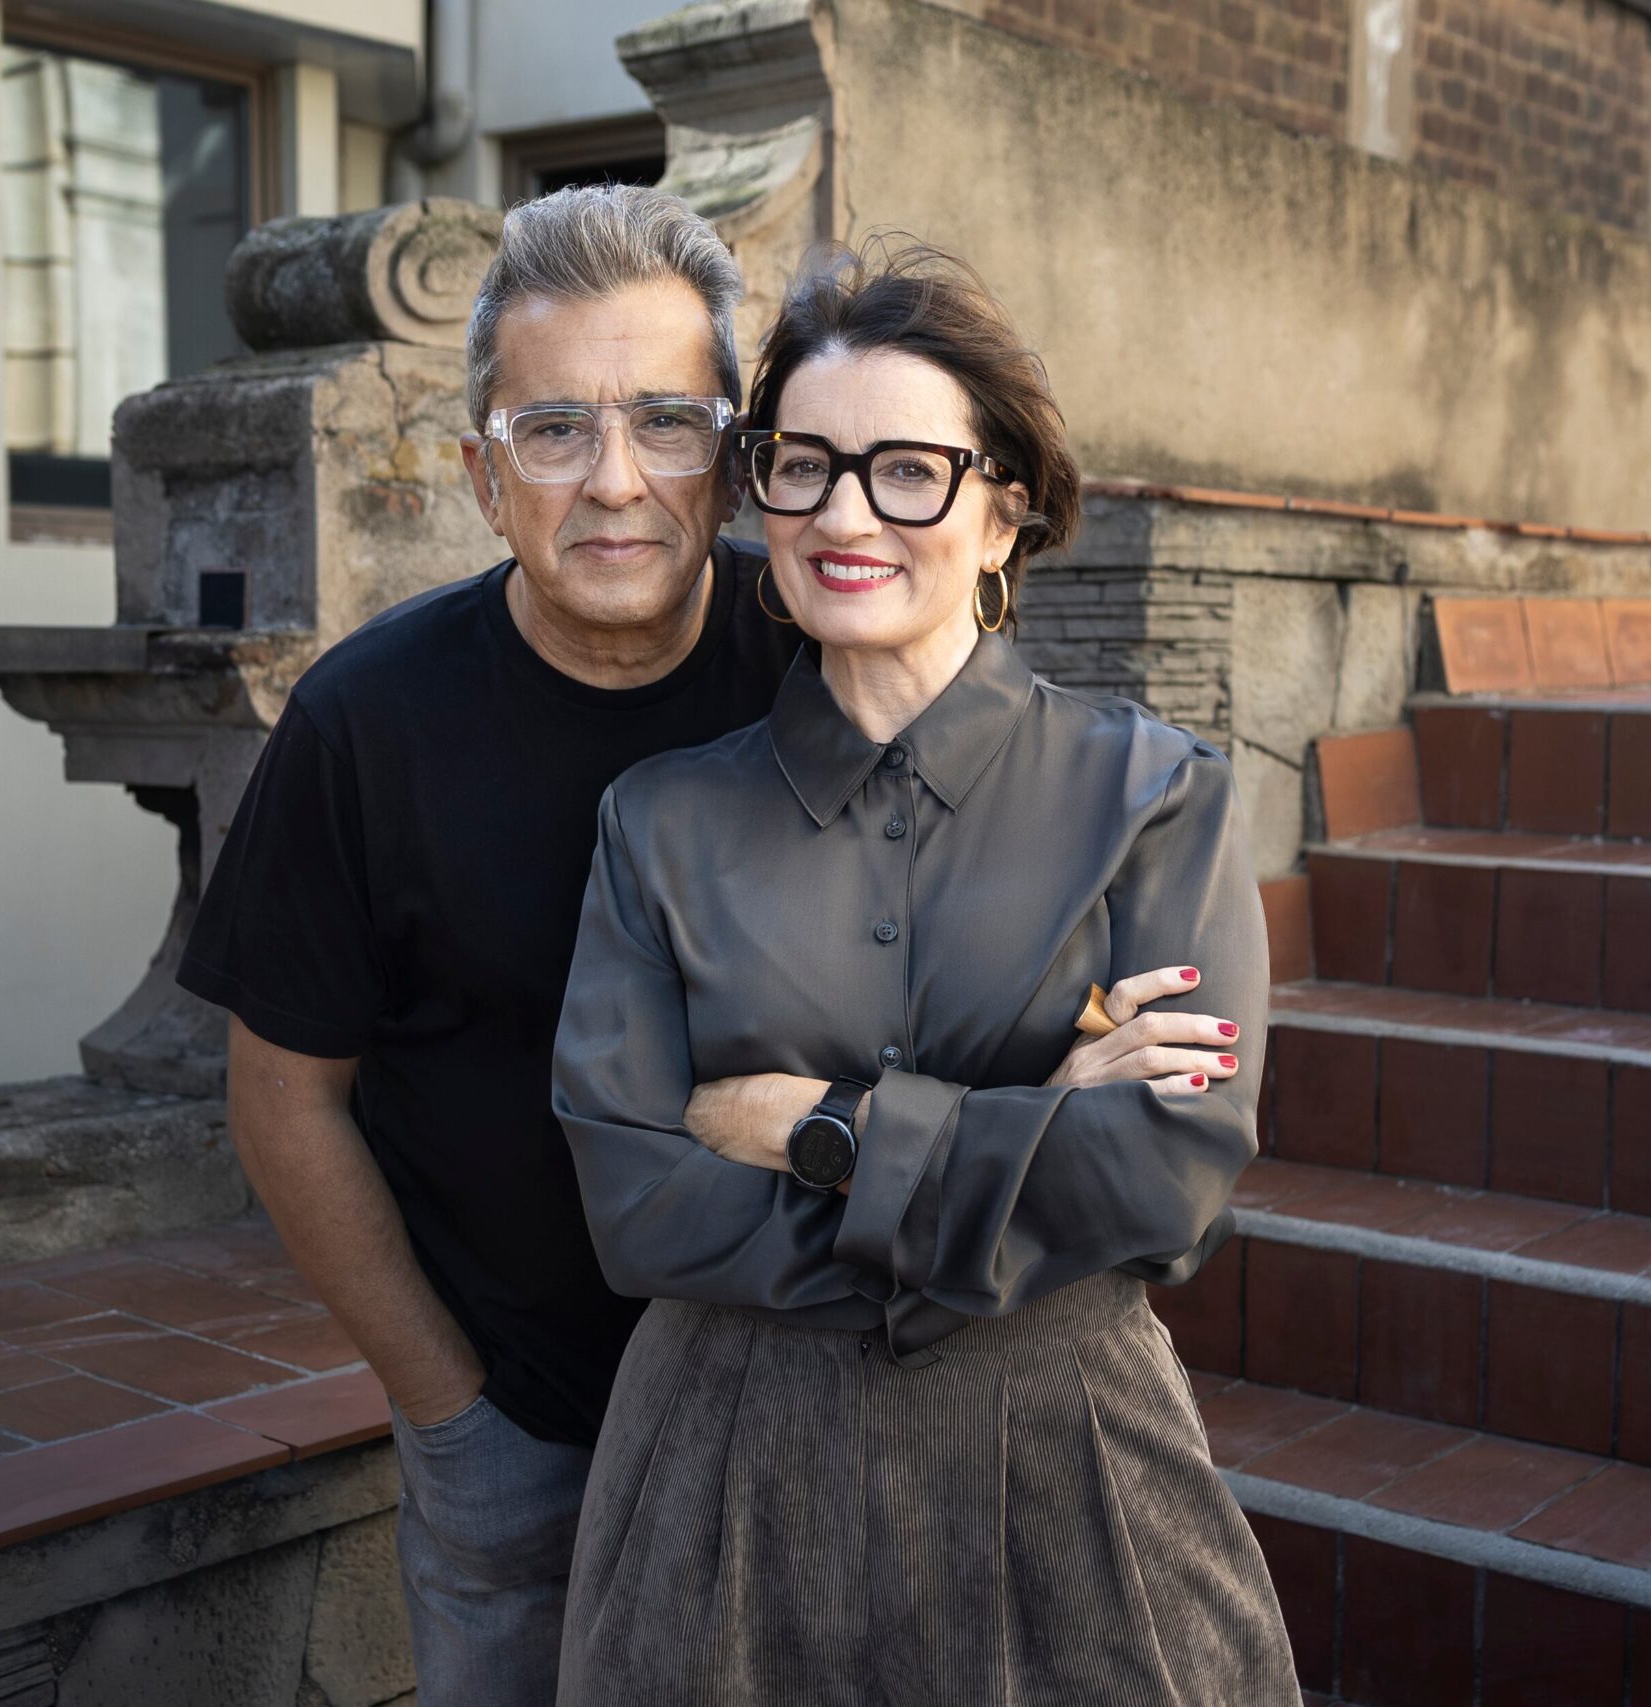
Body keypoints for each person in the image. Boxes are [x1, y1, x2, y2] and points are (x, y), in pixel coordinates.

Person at [178, 187, 1248, 1706]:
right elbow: (291, 1098)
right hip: (546, 1410)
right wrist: (449, 1406)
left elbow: (1160, 1177)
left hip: (937, 1424)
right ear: (484, 475)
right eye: (555, 430)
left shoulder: (839, 634)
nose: (616, 482)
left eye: (669, 423)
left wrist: (829, 1128)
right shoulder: (378, 727)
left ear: (729, 462)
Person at [553, 241, 1298, 1704]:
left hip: (1069, 1469)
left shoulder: (1157, 795)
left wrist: (822, 1128)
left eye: (909, 472)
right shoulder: (659, 821)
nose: (844, 516)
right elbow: (635, 1206)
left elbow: (1165, 1180)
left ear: (1006, 511)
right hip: (728, 1479)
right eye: (804, 466)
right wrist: (1028, 1134)